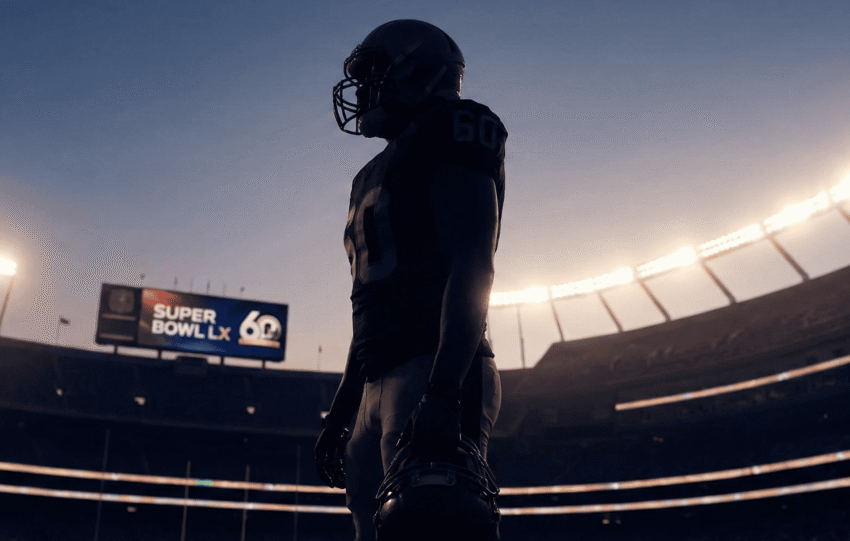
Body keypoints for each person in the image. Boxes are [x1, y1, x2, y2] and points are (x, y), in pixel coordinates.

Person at [314, 19, 507, 541]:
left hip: (432, 363)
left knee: (430, 522)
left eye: (376, 71)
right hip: (377, 374)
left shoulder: (455, 126)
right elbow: (371, 305)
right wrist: (342, 408)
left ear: (419, 70)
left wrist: (444, 391)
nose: (365, 87)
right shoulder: (368, 175)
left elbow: (472, 263)